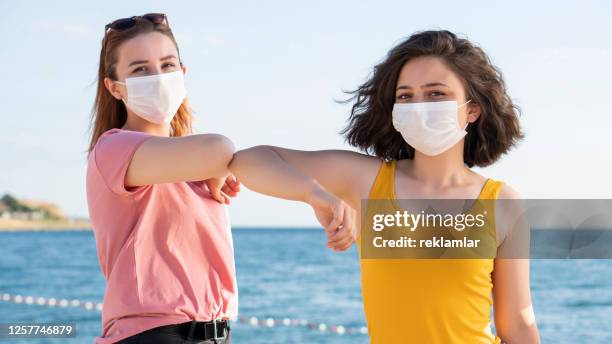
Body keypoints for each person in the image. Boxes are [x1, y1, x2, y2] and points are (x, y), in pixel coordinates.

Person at [230, 30, 540, 343]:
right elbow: (249, 160)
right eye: (406, 96)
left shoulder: (502, 201)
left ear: (473, 109)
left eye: (436, 94)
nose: (419, 106)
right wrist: (315, 194)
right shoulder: (366, 181)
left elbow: (517, 322)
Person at [85, 13, 354, 344]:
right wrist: (219, 166)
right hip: (150, 334)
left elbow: (245, 158)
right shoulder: (113, 148)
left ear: (182, 74)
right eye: (140, 70)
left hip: (214, 334)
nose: (158, 77)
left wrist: (314, 193)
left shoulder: (194, 162)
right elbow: (220, 148)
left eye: (167, 65)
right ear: (114, 87)